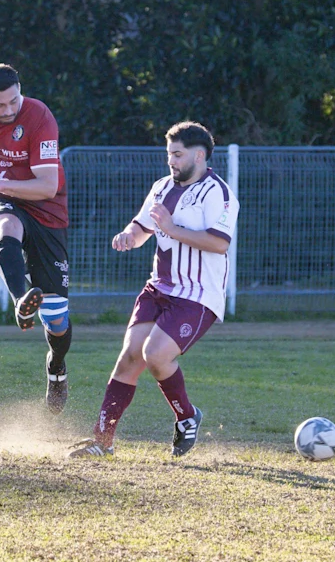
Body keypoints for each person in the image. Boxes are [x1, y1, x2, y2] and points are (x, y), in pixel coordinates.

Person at [69, 121, 238, 458]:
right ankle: (102, 441)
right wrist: (130, 236)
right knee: (130, 357)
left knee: (156, 355)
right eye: (168, 155)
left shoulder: (218, 193)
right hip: (158, 288)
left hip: (197, 295)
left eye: (177, 154)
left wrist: (172, 228)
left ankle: (187, 417)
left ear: (200, 155)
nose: (171, 161)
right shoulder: (162, 186)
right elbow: (144, 223)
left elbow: (218, 244)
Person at [0, 64, 72, 413]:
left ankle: (56, 370)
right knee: (5, 226)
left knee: (57, 320)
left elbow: (47, 186)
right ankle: (20, 299)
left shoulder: (39, 116)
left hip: (47, 212)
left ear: (20, 90)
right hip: (5, 200)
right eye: (0, 105)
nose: (9, 110)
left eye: (13, 101)